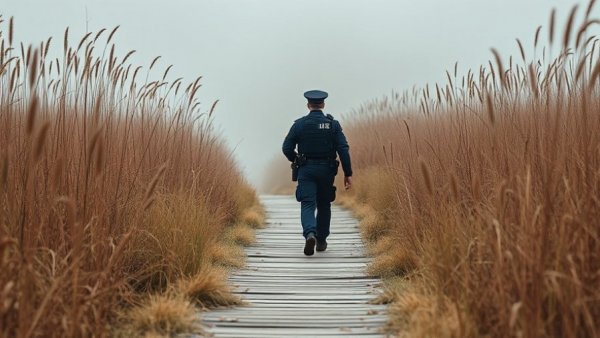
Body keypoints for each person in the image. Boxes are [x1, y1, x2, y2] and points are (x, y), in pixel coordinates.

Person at [282, 90, 353, 256]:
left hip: (306, 170)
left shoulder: (299, 124)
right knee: (324, 204)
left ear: (308, 105)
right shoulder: (333, 125)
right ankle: (321, 240)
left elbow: (286, 148)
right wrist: (347, 173)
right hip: (327, 170)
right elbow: (343, 149)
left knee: (308, 203)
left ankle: (310, 234)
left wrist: (296, 159)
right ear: (323, 105)